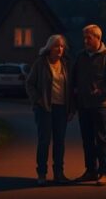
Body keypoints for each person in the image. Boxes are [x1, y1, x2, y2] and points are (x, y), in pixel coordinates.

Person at [72, 24, 106, 186]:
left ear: (98, 38)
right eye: (84, 38)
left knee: (101, 138)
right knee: (87, 139)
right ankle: (90, 171)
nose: (86, 41)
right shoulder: (81, 56)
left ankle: (104, 172)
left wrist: (102, 91)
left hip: (100, 105)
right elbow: (74, 77)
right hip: (83, 104)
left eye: (89, 37)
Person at [26, 34, 75, 186]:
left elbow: (71, 88)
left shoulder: (66, 64)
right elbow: (30, 84)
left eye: (61, 46)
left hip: (61, 108)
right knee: (44, 141)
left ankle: (59, 173)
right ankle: (42, 173)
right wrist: (38, 100)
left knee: (59, 142)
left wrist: (71, 108)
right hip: (45, 108)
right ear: (49, 48)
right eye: (56, 46)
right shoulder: (41, 63)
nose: (59, 49)